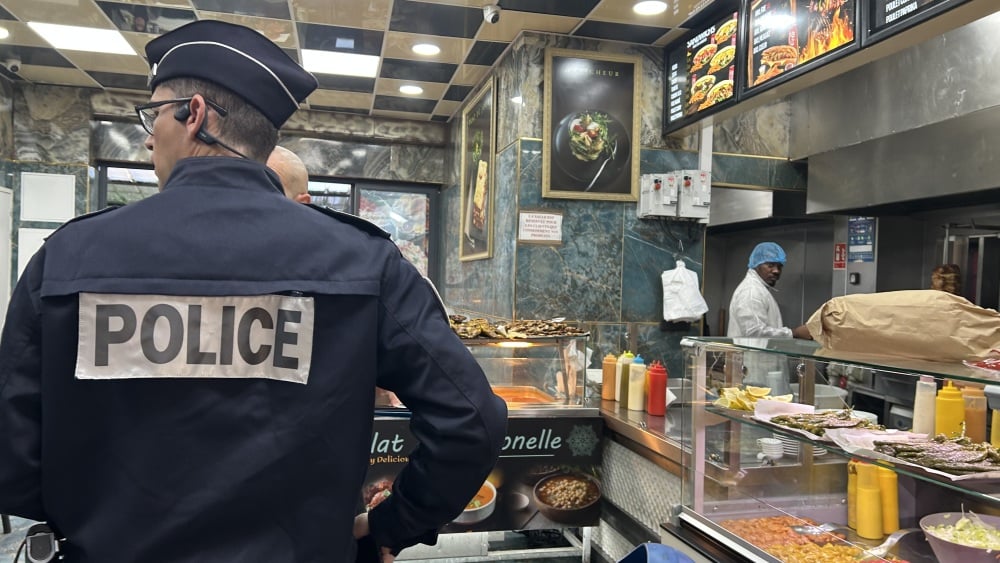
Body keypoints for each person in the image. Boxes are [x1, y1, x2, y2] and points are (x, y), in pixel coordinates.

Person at [0, 19, 507, 563]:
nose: (148, 136)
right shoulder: (360, 260)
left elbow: (14, 452)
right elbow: (472, 420)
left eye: (153, 115)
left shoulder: (70, 257)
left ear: (193, 115)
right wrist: (392, 524)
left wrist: (91, 522)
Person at [727, 242, 811, 387]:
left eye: (779, 266)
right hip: (753, 373)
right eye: (770, 265)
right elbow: (754, 331)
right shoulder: (751, 292)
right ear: (756, 265)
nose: (776, 271)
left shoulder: (759, 290)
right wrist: (794, 333)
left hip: (759, 372)